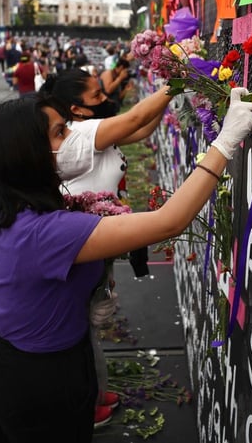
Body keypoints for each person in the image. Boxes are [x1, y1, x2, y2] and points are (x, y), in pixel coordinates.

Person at [0, 89, 252, 443]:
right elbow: (168, 222)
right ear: (26, 154)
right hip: (39, 379)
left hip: (15, 362)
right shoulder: (45, 232)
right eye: (60, 133)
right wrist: (225, 143)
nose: (74, 138)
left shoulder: (9, 207)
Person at [39, 70, 174, 426]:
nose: (106, 98)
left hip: (98, 238)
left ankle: (94, 391)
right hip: (87, 239)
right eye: (97, 96)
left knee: (90, 322)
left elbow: (142, 128)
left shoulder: (92, 128)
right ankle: (83, 404)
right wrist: (176, 80)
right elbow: (136, 117)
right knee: (81, 325)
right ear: (76, 110)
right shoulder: (82, 132)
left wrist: (172, 92)